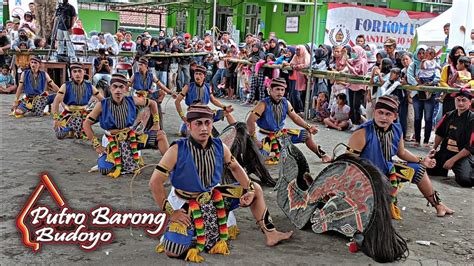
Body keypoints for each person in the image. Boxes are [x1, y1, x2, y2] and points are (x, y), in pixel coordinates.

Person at [149, 104, 293, 262]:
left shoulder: (220, 146)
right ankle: (195, 232)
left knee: (255, 188)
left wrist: (249, 190)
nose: (204, 128)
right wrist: (171, 212)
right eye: (198, 123)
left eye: (207, 123)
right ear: (189, 126)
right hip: (186, 202)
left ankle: (271, 233)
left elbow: (236, 168)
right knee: (173, 251)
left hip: (214, 196)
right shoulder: (176, 149)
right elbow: (155, 182)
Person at [347, 95, 454, 217]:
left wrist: (421, 161)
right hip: (366, 174)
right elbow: (349, 162)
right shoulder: (362, 132)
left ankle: (438, 205)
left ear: (395, 116)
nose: (383, 117)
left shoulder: (397, 129)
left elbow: (401, 152)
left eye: (388, 114)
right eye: (380, 112)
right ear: (374, 112)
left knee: (419, 170)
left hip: (387, 169)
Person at [83, 74, 169, 178]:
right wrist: (97, 145)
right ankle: (111, 160)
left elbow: (153, 104)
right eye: (115, 86)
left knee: (160, 135)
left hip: (131, 137)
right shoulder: (102, 105)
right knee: (105, 169)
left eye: (121, 87)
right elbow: (86, 123)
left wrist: (156, 123)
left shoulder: (132, 100)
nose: (118, 90)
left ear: (126, 89)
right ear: (110, 88)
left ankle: (170, 167)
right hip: (112, 141)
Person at [247, 78, 332, 164]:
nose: (280, 92)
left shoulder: (285, 102)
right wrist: (254, 140)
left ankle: (322, 155)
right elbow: (250, 120)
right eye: (277, 89)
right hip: (264, 136)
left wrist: (309, 127)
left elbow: (295, 117)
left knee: (306, 134)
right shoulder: (263, 104)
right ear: (270, 90)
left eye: (282, 90)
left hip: (279, 134)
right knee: (263, 160)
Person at [428, 88, 473, 187]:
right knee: (428, 169)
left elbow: (470, 147)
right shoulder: (449, 115)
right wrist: (434, 149)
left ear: (470, 102)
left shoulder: (472, 119)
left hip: (463, 155)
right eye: (458, 100)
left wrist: (452, 160)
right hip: (446, 151)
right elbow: (440, 133)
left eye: (464, 100)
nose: (460, 103)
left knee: (465, 180)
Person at [174, 65, 234, 136]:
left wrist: (224, 107)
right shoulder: (188, 86)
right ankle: (185, 127)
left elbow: (213, 100)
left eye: (200, 74)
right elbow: (177, 101)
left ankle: (238, 132)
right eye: (196, 73)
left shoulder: (208, 87)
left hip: (206, 113)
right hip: (192, 114)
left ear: (204, 76)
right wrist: (183, 117)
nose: (197, 76)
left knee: (226, 112)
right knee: (187, 133)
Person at [51, 63, 104, 139]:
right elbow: (56, 102)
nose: (77, 74)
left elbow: (102, 100)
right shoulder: (65, 86)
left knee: (103, 112)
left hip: (85, 113)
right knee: (59, 134)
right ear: (71, 74)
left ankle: (76, 129)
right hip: (69, 114)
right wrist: (55, 119)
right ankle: (72, 128)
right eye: (74, 71)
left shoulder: (89, 86)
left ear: (84, 72)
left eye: (79, 71)